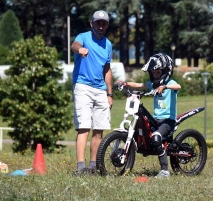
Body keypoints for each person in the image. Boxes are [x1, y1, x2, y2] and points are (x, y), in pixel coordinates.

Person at [117, 53, 181, 178]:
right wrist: (125, 84)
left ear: (165, 71)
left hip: (168, 120)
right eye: (153, 73)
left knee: (156, 137)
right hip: (156, 119)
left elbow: (178, 86)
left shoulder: (170, 82)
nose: (155, 75)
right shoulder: (153, 85)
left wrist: (165, 86)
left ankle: (165, 170)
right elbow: (140, 85)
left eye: (158, 72)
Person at [70, 10, 113, 175]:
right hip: (83, 86)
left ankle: (93, 166)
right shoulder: (84, 37)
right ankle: (81, 168)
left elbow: (107, 69)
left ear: (107, 25)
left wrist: (110, 94)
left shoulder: (108, 44)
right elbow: (74, 45)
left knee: (99, 128)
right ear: (91, 24)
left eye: (104, 24)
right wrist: (80, 49)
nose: (100, 27)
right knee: (84, 127)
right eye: (98, 23)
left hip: (100, 89)